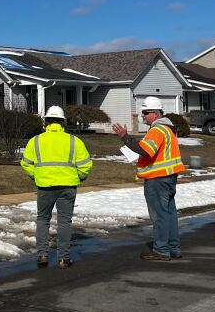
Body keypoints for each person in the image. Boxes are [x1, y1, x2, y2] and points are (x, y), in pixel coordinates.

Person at [111, 96, 185, 261]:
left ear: (156, 114)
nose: (142, 115)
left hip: (157, 179)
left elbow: (146, 150)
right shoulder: (168, 128)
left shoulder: (157, 130)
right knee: (169, 214)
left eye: (145, 112)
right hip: (168, 177)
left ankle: (161, 250)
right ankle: (173, 248)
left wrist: (125, 137)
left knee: (159, 216)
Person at [21, 106, 93, 269]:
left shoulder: (36, 141)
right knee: (64, 222)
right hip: (68, 187)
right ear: (63, 122)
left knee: (43, 219)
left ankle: (42, 256)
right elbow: (86, 165)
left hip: (45, 186)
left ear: (46, 122)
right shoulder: (74, 141)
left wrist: (36, 176)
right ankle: (63, 259)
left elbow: (25, 163)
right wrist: (79, 177)